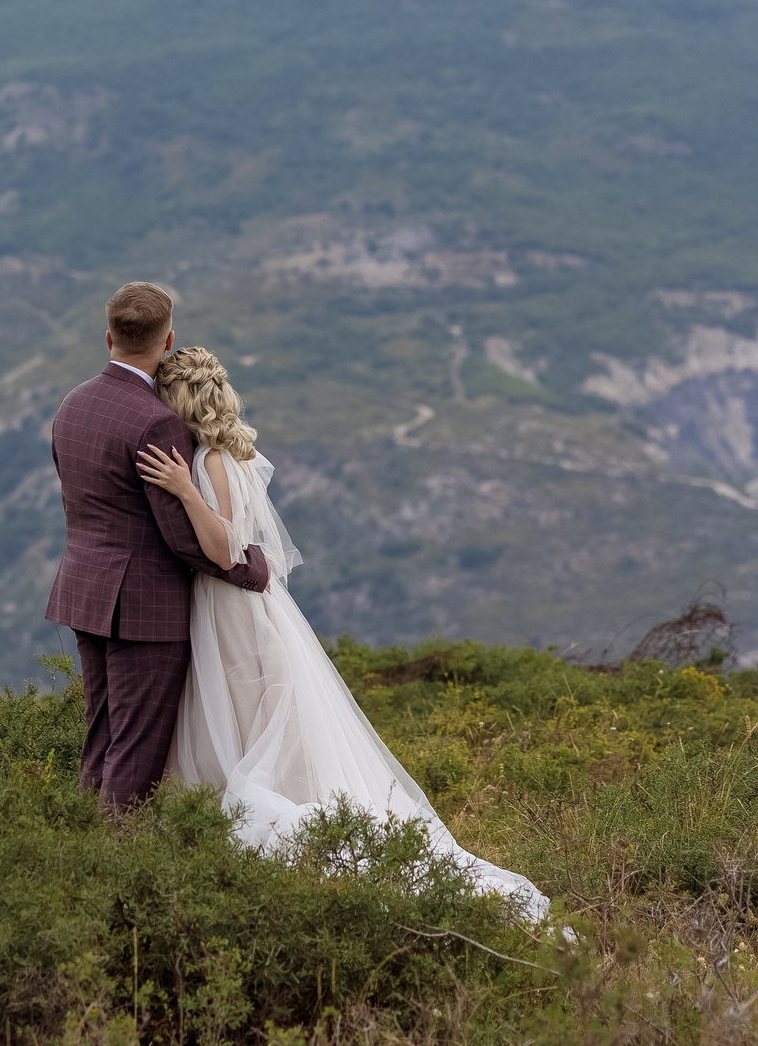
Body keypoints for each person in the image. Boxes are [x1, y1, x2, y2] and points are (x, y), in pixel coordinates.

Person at [135, 344, 550, 921]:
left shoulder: (207, 464)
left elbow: (227, 548)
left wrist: (182, 491)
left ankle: (264, 833)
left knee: (243, 714)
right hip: (237, 604)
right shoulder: (229, 453)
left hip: (229, 607)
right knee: (243, 714)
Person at [45, 283, 270, 809]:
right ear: (168, 340)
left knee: (101, 732)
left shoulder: (72, 403)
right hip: (144, 608)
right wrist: (249, 568)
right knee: (137, 745)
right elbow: (184, 539)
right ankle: (117, 862)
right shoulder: (156, 421)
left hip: (85, 592)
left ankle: (80, 842)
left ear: (108, 337)